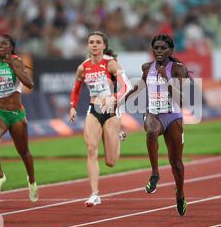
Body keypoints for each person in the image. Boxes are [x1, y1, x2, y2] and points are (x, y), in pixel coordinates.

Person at [125, 34, 189, 216]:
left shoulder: (178, 70)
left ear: (170, 50)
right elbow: (138, 87)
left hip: (173, 117)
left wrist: (166, 79)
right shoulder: (147, 68)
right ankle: (155, 173)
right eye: (156, 48)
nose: (159, 51)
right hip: (154, 114)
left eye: (163, 48)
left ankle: (180, 193)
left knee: (176, 164)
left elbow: (182, 100)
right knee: (151, 132)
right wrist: (120, 101)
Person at [69, 31, 131, 207]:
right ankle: (94, 194)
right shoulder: (83, 67)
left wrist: (114, 97)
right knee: (91, 149)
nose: (94, 45)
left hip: (111, 111)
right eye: (91, 42)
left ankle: (118, 136)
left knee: (110, 162)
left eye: (98, 42)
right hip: (93, 110)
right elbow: (76, 88)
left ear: (104, 45)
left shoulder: (111, 64)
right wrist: (72, 106)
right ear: (88, 45)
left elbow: (128, 86)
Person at [0, 34, 38, 202]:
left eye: (3, 44)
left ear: (11, 47)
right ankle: (0, 176)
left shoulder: (17, 61)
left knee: (24, 152)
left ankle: (32, 181)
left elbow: (30, 84)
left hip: (16, 115)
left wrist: (14, 67)